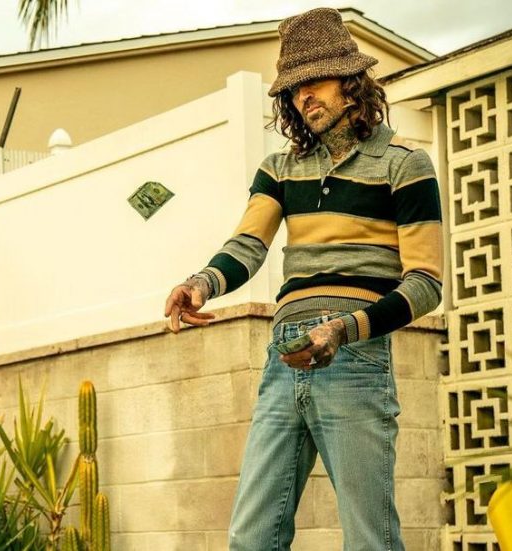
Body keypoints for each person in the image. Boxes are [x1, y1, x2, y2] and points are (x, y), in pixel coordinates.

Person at [163, 8, 443, 551]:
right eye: (293, 89)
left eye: (314, 81)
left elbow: (425, 284)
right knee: (251, 538)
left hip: (355, 357)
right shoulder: (280, 167)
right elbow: (247, 245)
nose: (303, 97)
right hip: (284, 357)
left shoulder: (405, 163)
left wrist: (344, 329)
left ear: (351, 81)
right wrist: (201, 283)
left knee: (370, 540)